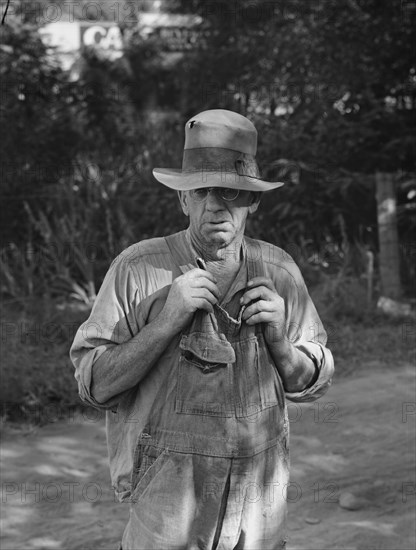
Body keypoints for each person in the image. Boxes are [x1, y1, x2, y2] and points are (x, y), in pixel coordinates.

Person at [70, 109, 334, 549]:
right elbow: (95, 386)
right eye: (200, 191)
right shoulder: (139, 270)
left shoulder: (280, 272)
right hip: (168, 514)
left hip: (257, 511)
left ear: (253, 201)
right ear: (182, 199)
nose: (215, 204)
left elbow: (312, 383)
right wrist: (166, 322)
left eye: (230, 191)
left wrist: (280, 343)